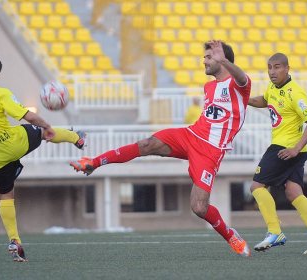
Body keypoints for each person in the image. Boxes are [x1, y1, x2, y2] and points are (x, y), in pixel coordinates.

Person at [71, 40, 252, 257]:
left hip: (211, 150)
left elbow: (243, 78)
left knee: (199, 208)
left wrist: (223, 60)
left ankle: (230, 234)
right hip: (190, 135)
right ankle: (94, 162)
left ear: (223, 59)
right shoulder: (209, 86)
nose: (203, 60)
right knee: (147, 144)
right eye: (205, 57)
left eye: (208, 57)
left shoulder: (238, 84)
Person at [0, 53, 86, 262]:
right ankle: (76, 138)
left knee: (6, 195)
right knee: (42, 131)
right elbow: (28, 115)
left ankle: (14, 240)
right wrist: (47, 126)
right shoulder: (0, 93)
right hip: (13, 143)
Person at [248, 53, 307, 254]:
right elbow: (266, 100)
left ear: (287, 68)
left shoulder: (295, 93)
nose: (272, 72)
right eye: (269, 67)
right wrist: (248, 100)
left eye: (277, 67)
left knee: (256, 186)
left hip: (284, 149)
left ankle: (275, 231)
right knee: (294, 192)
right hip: (295, 151)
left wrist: (295, 149)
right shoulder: (272, 88)